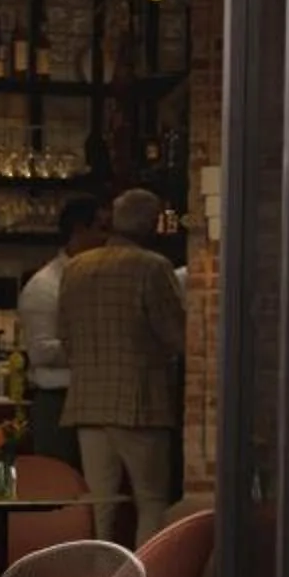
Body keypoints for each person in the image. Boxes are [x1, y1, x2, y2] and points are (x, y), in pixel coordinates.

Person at [57, 188, 187, 545]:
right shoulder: (152, 267)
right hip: (140, 401)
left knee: (99, 504)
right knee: (151, 500)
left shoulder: (75, 268)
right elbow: (176, 333)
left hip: (88, 401)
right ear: (150, 222)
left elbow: (64, 335)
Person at [15, 195, 108, 471]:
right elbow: (42, 351)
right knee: (59, 485)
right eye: (102, 228)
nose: (108, 238)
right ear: (79, 230)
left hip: (94, 399)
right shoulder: (46, 286)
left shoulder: (100, 276)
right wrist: (95, 349)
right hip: (58, 401)